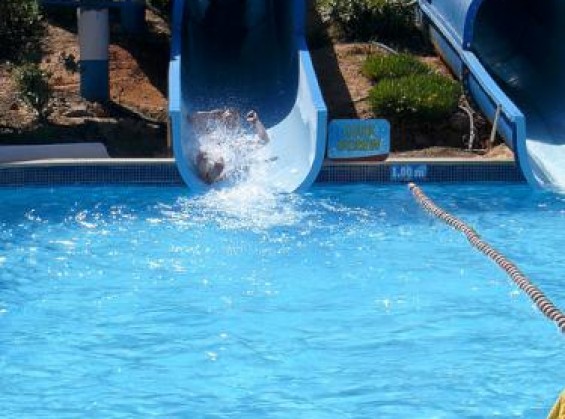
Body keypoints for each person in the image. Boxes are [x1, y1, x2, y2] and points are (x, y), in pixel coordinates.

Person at [188, 108, 270, 184]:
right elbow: (192, 118)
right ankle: (206, 174)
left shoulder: (240, 141)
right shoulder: (213, 134)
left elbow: (264, 141)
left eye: (234, 119)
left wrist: (256, 121)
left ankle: (211, 176)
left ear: (238, 124)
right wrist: (213, 115)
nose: (230, 122)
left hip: (222, 171)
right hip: (206, 162)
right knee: (204, 155)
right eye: (228, 119)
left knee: (220, 163)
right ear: (221, 120)